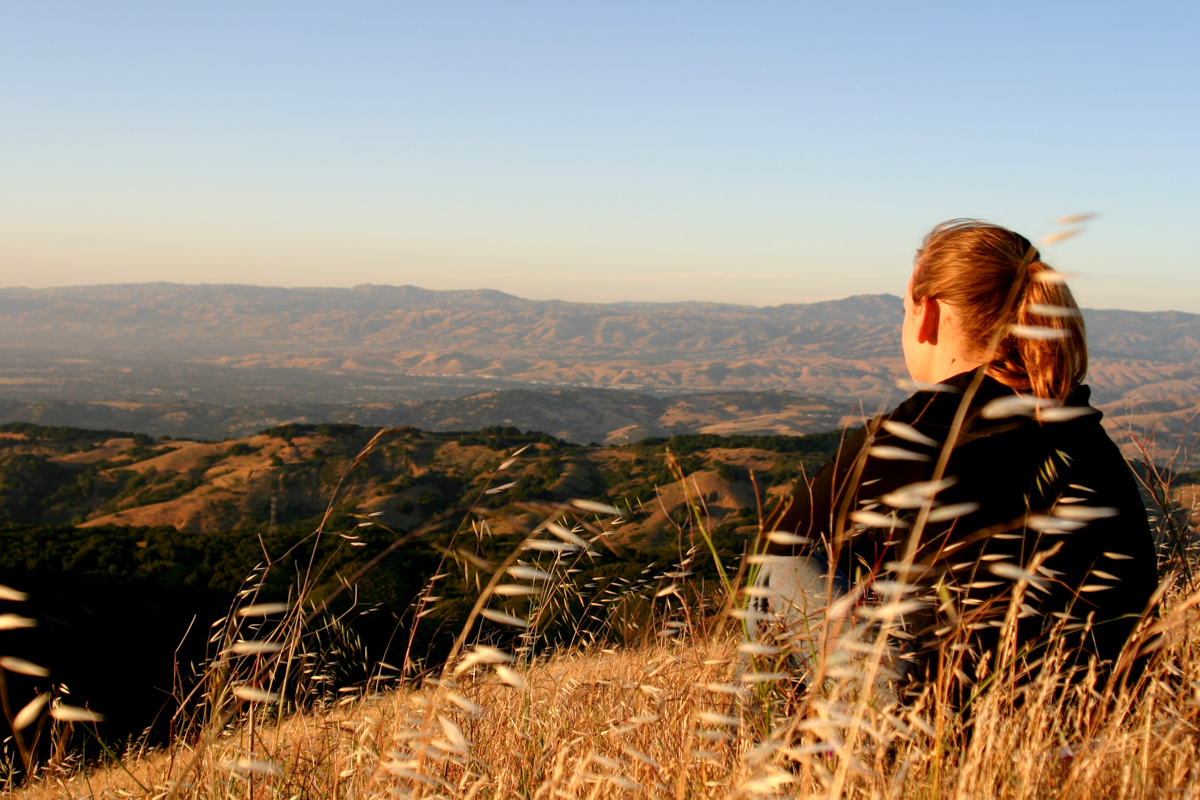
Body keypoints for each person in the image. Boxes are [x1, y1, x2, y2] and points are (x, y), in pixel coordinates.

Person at [751, 219, 1158, 698]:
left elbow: (784, 542)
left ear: (927, 315)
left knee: (779, 574)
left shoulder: (915, 431)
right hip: (1105, 707)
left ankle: (761, 738)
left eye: (904, 311)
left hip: (942, 721)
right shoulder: (1084, 429)